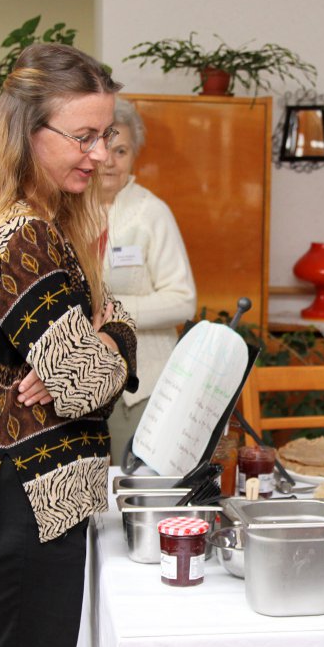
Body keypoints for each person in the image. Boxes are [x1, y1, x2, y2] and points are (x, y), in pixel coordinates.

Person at [0, 44, 137, 647]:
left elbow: (88, 353)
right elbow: (82, 384)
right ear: (27, 131)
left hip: (13, 495)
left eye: (106, 135)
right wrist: (111, 338)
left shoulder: (27, 218)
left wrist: (102, 337)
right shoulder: (23, 235)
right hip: (26, 501)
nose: (99, 155)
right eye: (83, 137)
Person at [99, 97, 196, 462]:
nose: (110, 161)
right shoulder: (66, 209)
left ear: (134, 155)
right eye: (104, 148)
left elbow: (183, 301)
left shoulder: (152, 213)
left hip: (140, 387)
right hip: (77, 385)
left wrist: (112, 311)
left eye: (121, 151)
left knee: (133, 482)